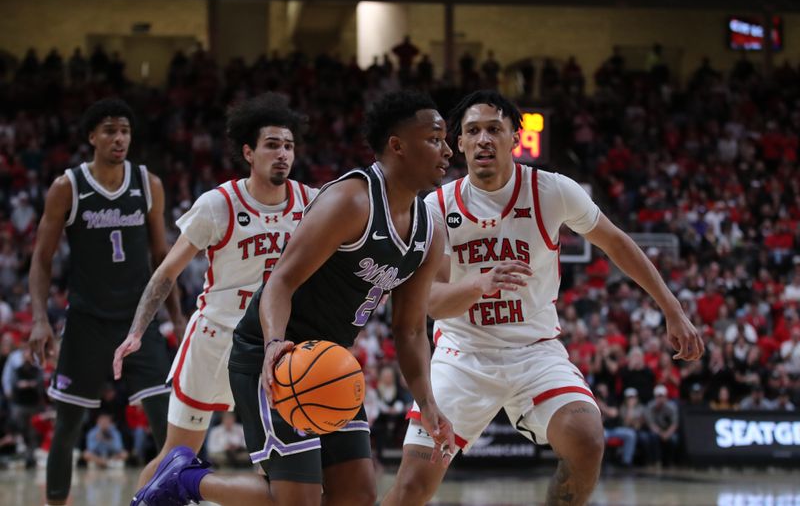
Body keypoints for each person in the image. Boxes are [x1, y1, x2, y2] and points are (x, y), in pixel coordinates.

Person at [132, 90, 455, 506]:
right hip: (277, 353)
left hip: (329, 360)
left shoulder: (430, 231)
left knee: (356, 495)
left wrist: (427, 404)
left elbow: (409, 328)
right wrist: (272, 346)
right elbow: (280, 283)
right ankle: (186, 479)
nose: (447, 149)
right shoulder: (351, 200)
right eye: (435, 138)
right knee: (296, 501)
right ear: (397, 145)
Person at [383, 90, 704, 506]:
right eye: (472, 131)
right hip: (463, 356)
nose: (483, 139)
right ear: (457, 143)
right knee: (412, 487)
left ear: (514, 137)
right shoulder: (437, 206)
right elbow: (435, 303)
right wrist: (482, 283)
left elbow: (616, 242)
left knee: (587, 437)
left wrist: (672, 309)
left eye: (494, 130)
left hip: (535, 352)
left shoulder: (552, 191)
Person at [112, 92, 316, 488]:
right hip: (214, 340)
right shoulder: (217, 204)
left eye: (288, 146)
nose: (283, 154)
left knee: (275, 466)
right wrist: (137, 331)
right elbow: (166, 272)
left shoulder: (311, 203)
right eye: (272, 145)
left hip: (271, 345)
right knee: (175, 456)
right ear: (248, 152)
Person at [28, 98, 183, 506]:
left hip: (139, 320)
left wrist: (178, 318)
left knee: (169, 427)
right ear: (92, 137)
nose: (119, 138)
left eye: (125, 131)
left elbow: (162, 258)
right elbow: (41, 259)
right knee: (66, 428)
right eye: (111, 130)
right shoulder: (67, 187)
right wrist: (39, 320)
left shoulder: (147, 183)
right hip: (87, 321)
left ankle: (171, 499)